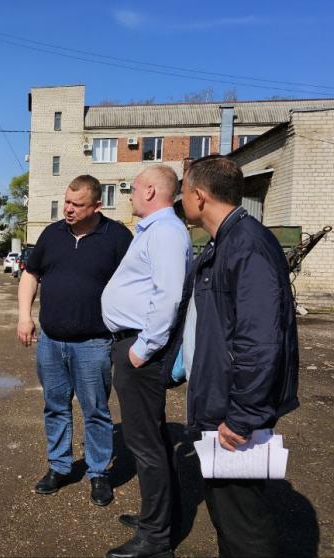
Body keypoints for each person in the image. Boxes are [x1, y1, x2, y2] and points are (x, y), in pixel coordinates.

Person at [171, 155, 299, 557]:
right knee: (227, 515)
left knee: (243, 524)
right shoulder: (226, 242)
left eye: (183, 191)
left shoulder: (246, 245)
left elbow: (261, 341)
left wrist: (243, 415)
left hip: (235, 412)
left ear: (199, 196)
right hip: (221, 402)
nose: (181, 200)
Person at [17, 175, 133, 507]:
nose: (68, 209)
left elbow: (135, 281)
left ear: (96, 205)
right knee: (55, 406)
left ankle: (98, 473)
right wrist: (25, 316)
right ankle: (59, 467)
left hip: (94, 343)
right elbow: (30, 274)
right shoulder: (52, 234)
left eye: (77, 204)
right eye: (67, 201)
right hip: (51, 341)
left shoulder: (117, 237)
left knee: (96, 411)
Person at [101, 165, 191, 558]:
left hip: (141, 350)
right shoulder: (155, 230)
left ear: (152, 191)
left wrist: (142, 349)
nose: (130, 194)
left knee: (146, 445)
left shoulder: (166, 231)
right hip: (134, 345)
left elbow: (168, 295)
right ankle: (159, 518)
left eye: (134, 188)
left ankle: (156, 539)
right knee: (151, 440)